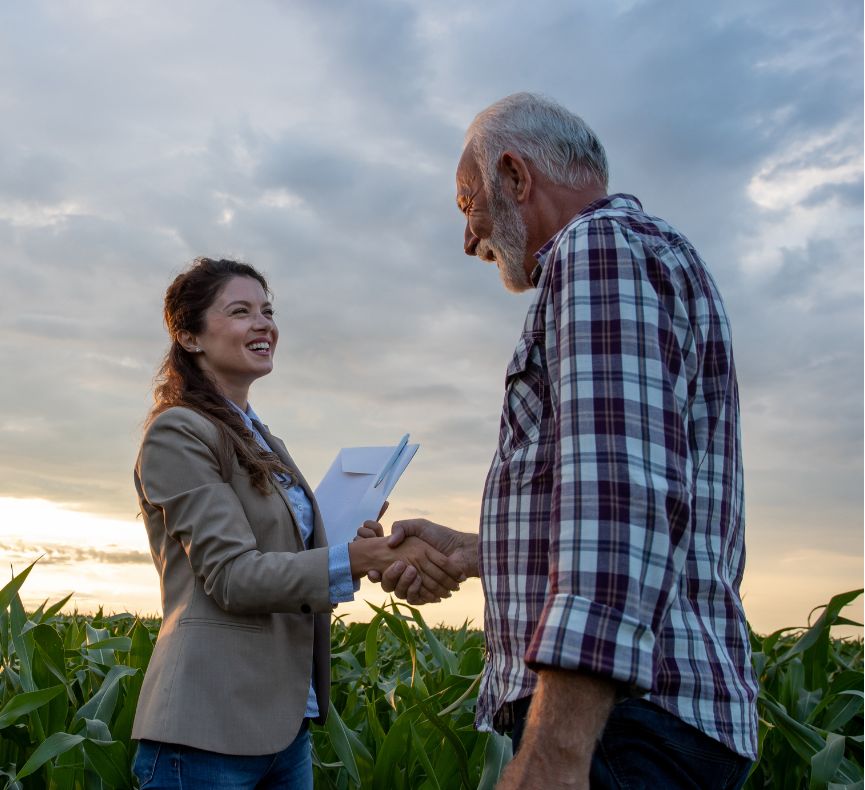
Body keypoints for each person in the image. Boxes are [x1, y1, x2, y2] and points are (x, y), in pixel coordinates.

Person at [364, 93, 758, 789]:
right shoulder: (641, 253)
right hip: (641, 722)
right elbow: (650, 501)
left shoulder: (595, 249)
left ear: (515, 177)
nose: (468, 239)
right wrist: (474, 551)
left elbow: (619, 502)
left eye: (467, 205)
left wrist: (554, 751)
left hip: (622, 727)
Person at [131, 257, 462, 789]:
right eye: (241, 311)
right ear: (190, 336)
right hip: (208, 727)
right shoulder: (179, 432)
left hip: (285, 729)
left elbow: (288, 557)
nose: (263, 323)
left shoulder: (266, 440)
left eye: (267, 310)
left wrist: (353, 539)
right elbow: (233, 576)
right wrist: (355, 559)